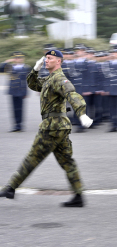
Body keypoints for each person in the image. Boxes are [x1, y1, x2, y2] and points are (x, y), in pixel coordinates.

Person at [0, 50, 93, 207]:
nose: (46, 60)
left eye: (50, 58)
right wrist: (35, 70)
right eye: (46, 58)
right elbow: (33, 84)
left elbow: (72, 94)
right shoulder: (50, 79)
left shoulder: (59, 79)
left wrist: (81, 113)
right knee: (67, 161)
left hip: (52, 127)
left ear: (59, 62)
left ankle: (10, 188)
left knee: (33, 157)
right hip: (58, 127)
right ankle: (78, 196)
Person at [0, 51, 30, 132]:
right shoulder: (9, 66)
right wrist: (6, 62)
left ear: (22, 59)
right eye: (16, 58)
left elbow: (28, 81)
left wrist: (26, 93)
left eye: (20, 58)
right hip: (13, 90)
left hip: (21, 91)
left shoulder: (26, 67)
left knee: (20, 109)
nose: (18, 59)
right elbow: (1, 69)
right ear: (14, 59)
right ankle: (16, 125)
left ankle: (20, 125)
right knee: (14, 109)